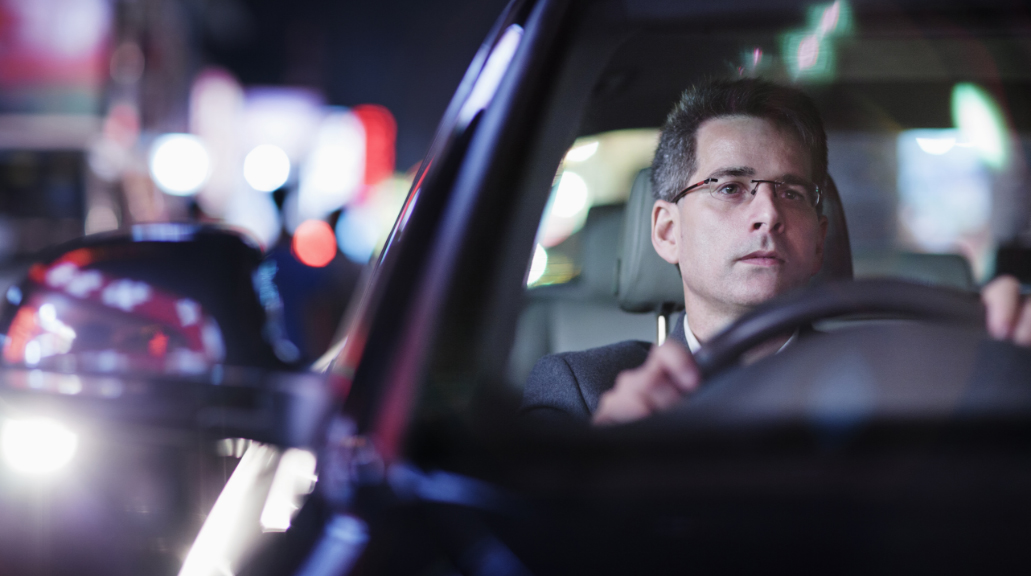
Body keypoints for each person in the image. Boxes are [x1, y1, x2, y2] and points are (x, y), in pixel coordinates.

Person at [520, 78, 1031, 426]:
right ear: (666, 231)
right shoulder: (584, 391)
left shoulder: (908, 383)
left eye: (790, 192)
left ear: (818, 240)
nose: (769, 213)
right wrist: (606, 467)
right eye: (729, 188)